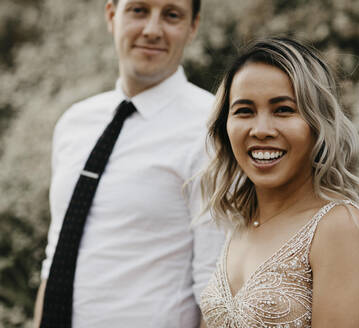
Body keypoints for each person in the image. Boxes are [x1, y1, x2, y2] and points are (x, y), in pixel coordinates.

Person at [34, 0, 224, 327]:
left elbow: (215, 286)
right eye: (138, 10)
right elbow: (55, 258)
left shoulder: (212, 130)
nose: (152, 30)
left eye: (171, 15)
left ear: (192, 27)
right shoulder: (74, 122)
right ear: (111, 15)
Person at [199, 37, 359, 327]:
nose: (261, 130)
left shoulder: (340, 226)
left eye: (283, 109)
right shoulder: (240, 223)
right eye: (244, 111)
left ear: (317, 124)